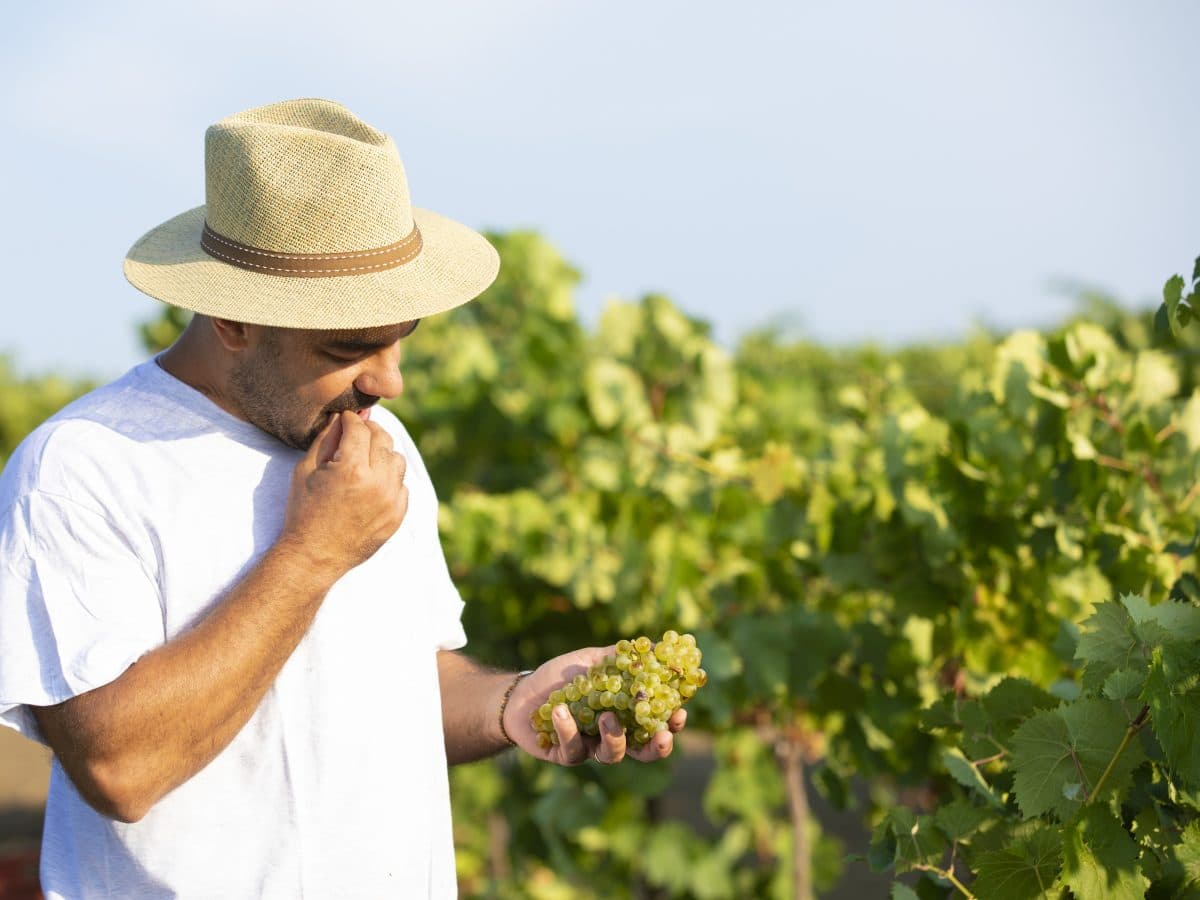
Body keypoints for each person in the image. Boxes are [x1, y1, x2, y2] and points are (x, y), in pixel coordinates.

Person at [0, 98, 686, 899]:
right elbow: (122, 768)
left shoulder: (370, 439)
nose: (388, 381)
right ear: (232, 319)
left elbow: (396, 681)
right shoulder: (87, 468)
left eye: (402, 338)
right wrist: (313, 552)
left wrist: (511, 701)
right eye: (348, 348)